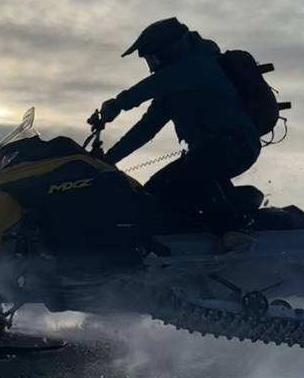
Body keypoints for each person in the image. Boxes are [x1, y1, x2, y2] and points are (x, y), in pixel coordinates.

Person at [99, 18, 261, 243]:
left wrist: (119, 103)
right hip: (206, 152)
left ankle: (239, 228)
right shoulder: (174, 87)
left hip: (234, 144)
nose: (152, 65)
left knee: (198, 169)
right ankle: (193, 235)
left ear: (172, 48)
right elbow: (146, 128)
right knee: (155, 191)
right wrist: (106, 160)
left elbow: (159, 83)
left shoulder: (200, 64)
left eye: (153, 56)